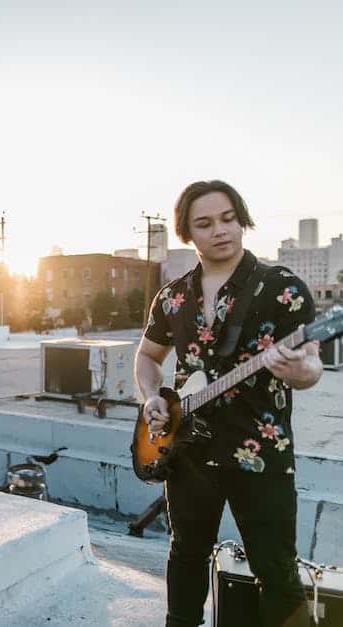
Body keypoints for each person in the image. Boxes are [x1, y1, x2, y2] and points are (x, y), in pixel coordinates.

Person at [135, 180, 322, 627]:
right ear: (187, 234)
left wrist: (295, 370)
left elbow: (311, 368)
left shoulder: (284, 289)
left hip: (259, 452)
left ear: (241, 220)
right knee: (186, 556)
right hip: (186, 451)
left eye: (228, 218)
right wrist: (152, 399)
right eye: (205, 223)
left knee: (276, 570)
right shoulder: (173, 296)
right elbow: (146, 356)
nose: (221, 230)